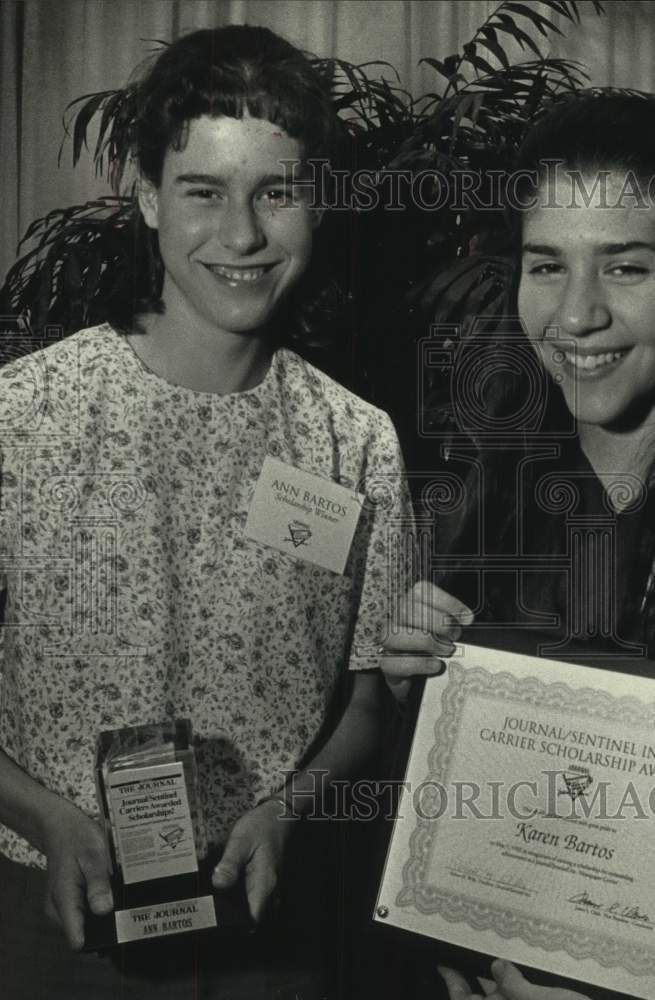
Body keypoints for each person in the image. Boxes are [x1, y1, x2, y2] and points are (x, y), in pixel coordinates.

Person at [0, 24, 412, 999]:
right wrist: (47, 819)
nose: (241, 236)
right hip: (50, 915)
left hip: (270, 918)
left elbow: (366, 700)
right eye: (202, 193)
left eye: (276, 192)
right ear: (145, 196)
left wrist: (290, 810)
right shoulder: (20, 419)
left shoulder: (355, 440)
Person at [381, 93, 655, 1000]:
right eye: (547, 265)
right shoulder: (498, 485)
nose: (575, 316)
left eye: (625, 267)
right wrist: (415, 687)